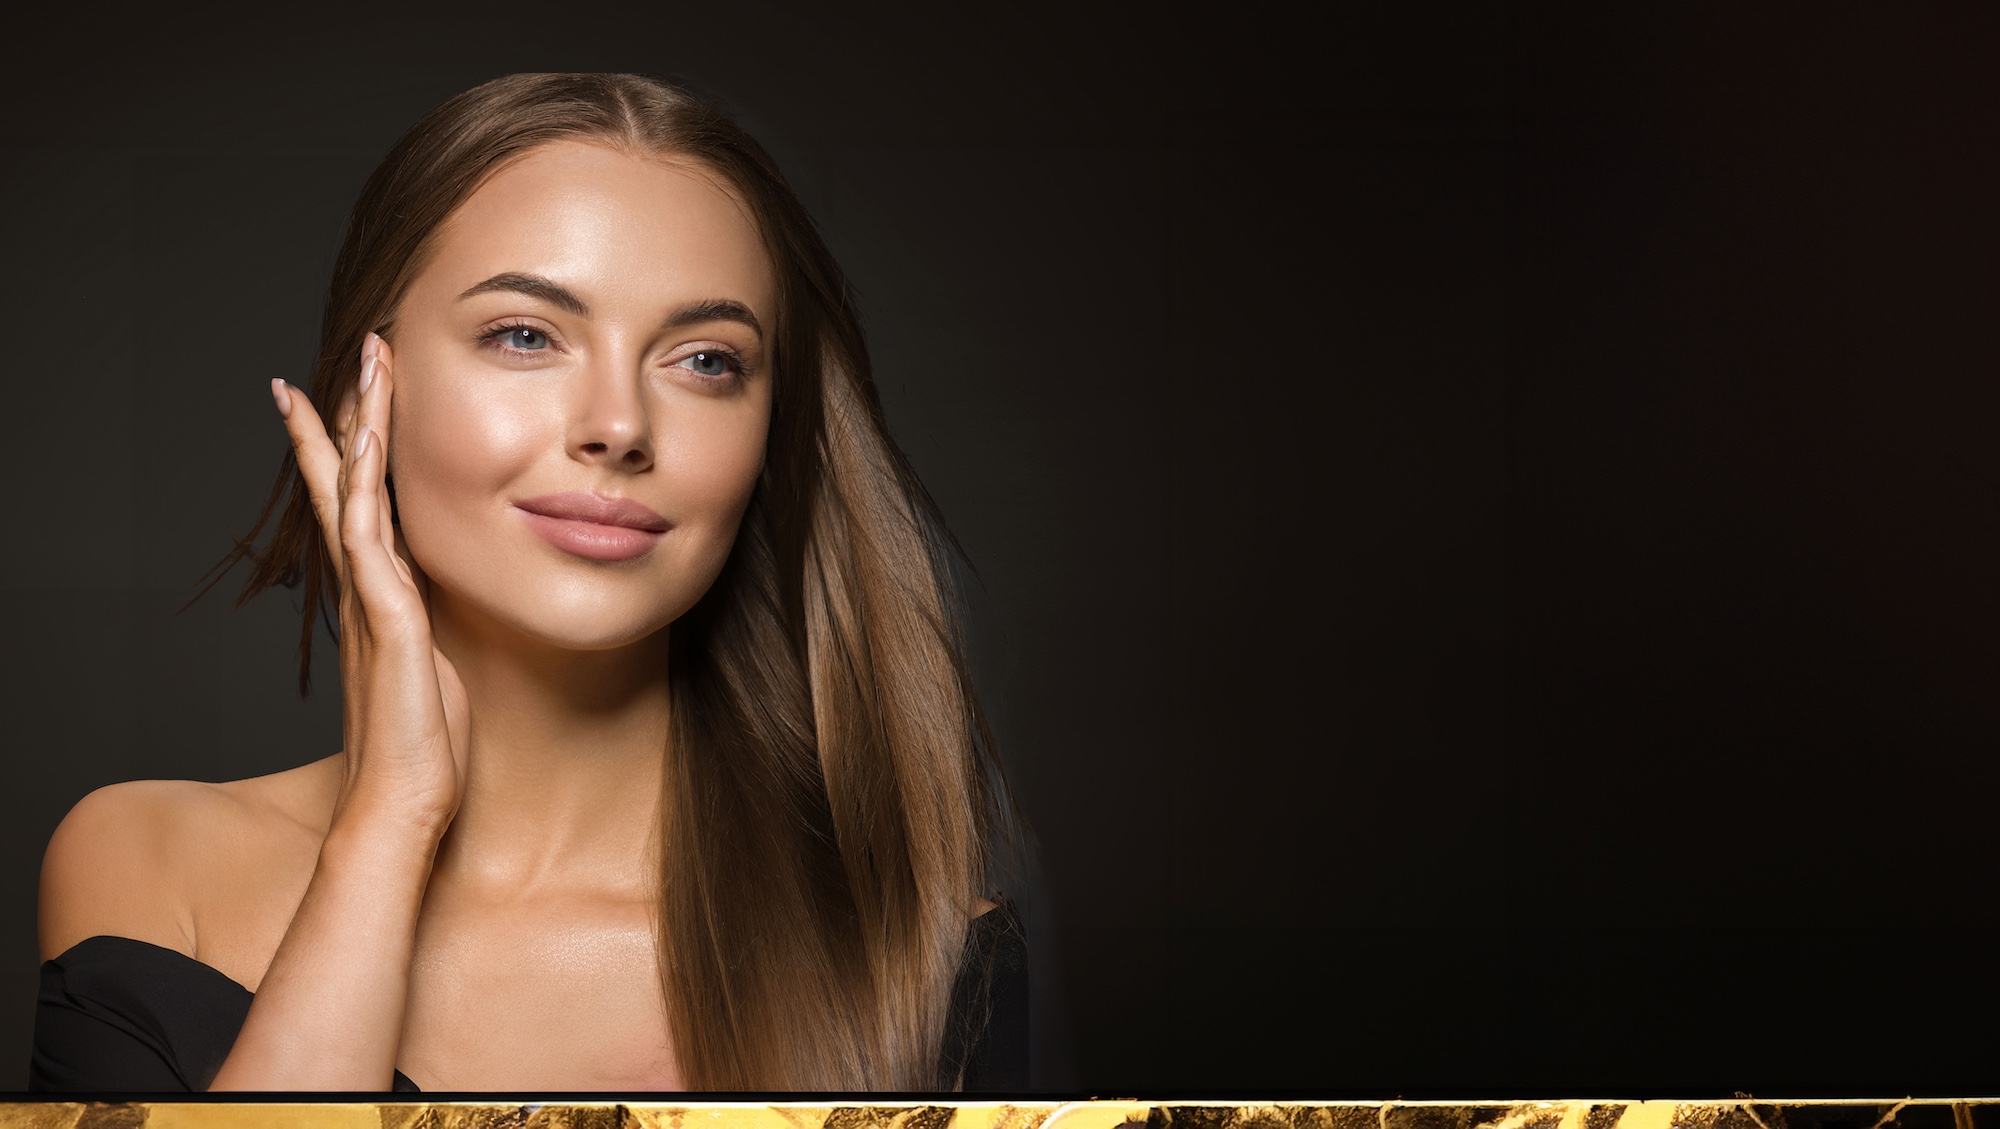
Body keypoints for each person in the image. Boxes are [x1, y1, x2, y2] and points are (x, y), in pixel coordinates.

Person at [30, 72, 1024, 1093]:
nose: (620, 426)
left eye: (704, 361)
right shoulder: (147, 864)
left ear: (770, 436)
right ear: (364, 394)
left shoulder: (923, 953)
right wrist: (388, 825)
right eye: (525, 336)